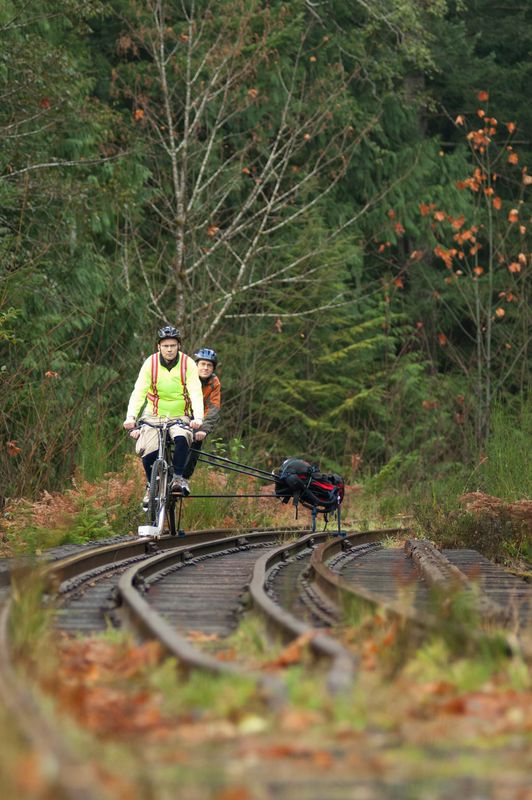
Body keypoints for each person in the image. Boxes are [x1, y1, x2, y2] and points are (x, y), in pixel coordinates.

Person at [123, 326, 204, 501]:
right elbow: (138, 392)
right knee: (148, 450)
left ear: (179, 346)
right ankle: (151, 486)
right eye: (165, 345)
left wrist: (198, 418)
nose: (169, 349)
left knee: (182, 438)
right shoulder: (150, 363)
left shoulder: (187, 363)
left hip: (180, 416)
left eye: (173, 345)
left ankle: (178, 478)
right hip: (153, 415)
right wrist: (131, 417)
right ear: (158, 346)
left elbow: (196, 392)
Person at [183, 348, 221, 480]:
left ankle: (184, 479)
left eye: (209, 365)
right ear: (196, 365)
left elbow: (213, 407)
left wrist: (204, 429)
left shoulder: (214, 383)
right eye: (202, 364)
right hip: (179, 414)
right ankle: (153, 481)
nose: (205, 368)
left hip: (198, 419)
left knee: (196, 442)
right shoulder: (185, 376)